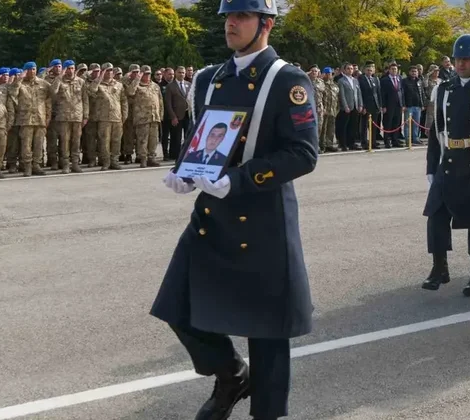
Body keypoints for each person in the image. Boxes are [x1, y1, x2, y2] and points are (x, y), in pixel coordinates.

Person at [149, 0, 319, 417]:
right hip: (211, 217)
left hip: (261, 217)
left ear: (266, 24)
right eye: (228, 16)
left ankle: (267, 412)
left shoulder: (286, 81)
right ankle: (230, 374)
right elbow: (200, 136)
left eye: (241, 16)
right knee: (176, 305)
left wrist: (238, 180)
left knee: (267, 330)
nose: (231, 23)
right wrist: (184, 170)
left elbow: (303, 153)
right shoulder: (210, 78)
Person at [421, 34, 470, 296]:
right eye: (457, 59)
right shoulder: (443, 89)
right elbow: (435, 131)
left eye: (466, 59)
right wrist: (431, 167)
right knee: (436, 215)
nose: (461, 64)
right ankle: (439, 266)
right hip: (448, 161)